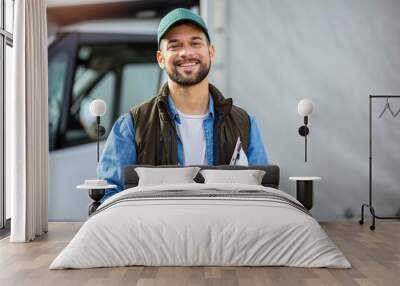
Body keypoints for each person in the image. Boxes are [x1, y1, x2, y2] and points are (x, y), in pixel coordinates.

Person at [97, 8, 268, 200]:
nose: (186, 52)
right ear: (160, 59)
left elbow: (261, 194)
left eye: (195, 43)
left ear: (211, 52)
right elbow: (109, 198)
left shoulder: (245, 124)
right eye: (174, 46)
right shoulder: (131, 125)